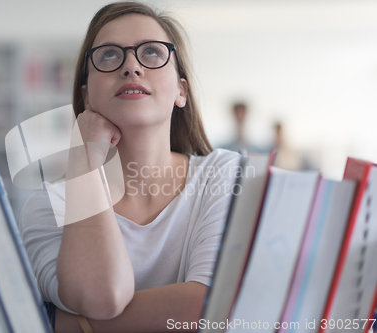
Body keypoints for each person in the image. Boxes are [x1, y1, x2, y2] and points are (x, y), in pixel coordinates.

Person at [18, 2, 240, 332]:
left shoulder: (224, 174)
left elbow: (211, 309)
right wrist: (83, 159)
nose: (131, 67)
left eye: (151, 52)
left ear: (181, 91)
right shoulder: (49, 206)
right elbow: (102, 296)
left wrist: (62, 323)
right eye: (108, 55)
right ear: (87, 95)